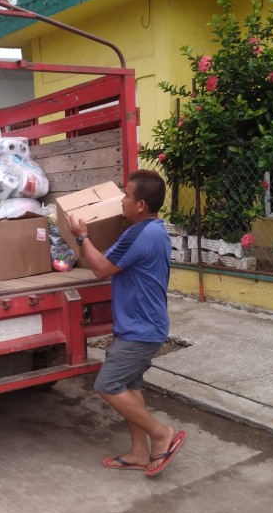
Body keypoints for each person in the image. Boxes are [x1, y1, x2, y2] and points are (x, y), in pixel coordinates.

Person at [66, 169, 187, 477]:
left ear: (141, 205)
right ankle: (138, 452)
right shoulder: (157, 230)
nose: (122, 201)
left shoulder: (136, 234)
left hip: (140, 330)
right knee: (129, 386)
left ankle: (160, 434)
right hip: (145, 325)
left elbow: (101, 269)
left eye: (126, 196)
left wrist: (81, 236)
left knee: (107, 385)